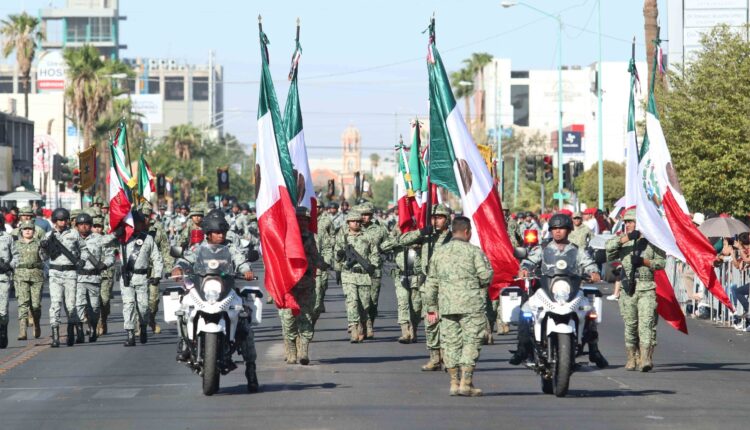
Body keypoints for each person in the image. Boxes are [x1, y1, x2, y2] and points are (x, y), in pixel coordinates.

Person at [171, 214, 259, 392]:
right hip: (203, 287)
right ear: (208, 234)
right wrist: (178, 268)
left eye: (223, 232)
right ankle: (184, 342)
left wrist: (247, 270)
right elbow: (185, 260)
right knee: (183, 310)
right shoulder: (198, 248)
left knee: (244, 323)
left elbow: (241, 261)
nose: (221, 236)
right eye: (217, 233)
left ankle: (251, 369)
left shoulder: (230, 247)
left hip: (226, 288)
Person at [510, 213, 606, 367]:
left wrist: (594, 272)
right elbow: (529, 261)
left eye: (561, 228)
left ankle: (594, 351)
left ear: (568, 230)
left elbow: (589, 263)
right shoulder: (542, 248)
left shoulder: (577, 250)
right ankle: (522, 349)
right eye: (554, 228)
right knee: (526, 310)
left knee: (590, 311)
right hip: (545, 289)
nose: (557, 231)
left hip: (571, 290)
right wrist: (525, 269)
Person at [424, 216, 493, 396]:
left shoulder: (439, 253)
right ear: (467, 232)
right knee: (471, 341)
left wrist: (431, 308)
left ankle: (454, 382)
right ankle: (466, 382)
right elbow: (486, 276)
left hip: (446, 306)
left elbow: (431, 283)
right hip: (471, 305)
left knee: (450, 343)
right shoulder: (474, 252)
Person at [605, 208, 665, 372]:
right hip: (628, 289)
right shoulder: (623, 240)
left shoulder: (652, 241)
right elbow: (608, 249)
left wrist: (644, 261)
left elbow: (661, 263)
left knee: (646, 324)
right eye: (626, 222)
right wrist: (625, 238)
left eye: (631, 222)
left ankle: (645, 358)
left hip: (646, 287)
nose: (628, 225)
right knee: (630, 325)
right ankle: (632, 357)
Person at [280, 207, 328, 365]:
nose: (302, 222)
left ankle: (303, 350)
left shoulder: (310, 237)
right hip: (289, 285)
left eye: (305, 219)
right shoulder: (285, 236)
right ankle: (291, 348)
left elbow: (314, 255)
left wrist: (324, 264)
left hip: (306, 283)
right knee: (289, 318)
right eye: (299, 219)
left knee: (306, 316)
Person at [41, 208, 88, 347]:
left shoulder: (74, 234)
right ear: (55, 221)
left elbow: (84, 249)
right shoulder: (48, 235)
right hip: (55, 273)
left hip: (70, 273)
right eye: (60, 220)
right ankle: (55, 336)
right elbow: (43, 257)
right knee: (55, 304)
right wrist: (43, 248)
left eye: (65, 219)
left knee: (70, 305)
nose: (62, 222)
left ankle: (70, 331)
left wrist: (83, 260)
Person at [333, 211, 379, 343]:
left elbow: (374, 253)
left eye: (358, 221)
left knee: (364, 305)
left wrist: (373, 266)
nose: (356, 223)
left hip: (364, 275)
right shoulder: (343, 237)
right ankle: (353, 328)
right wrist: (339, 259)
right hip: (348, 274)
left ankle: (362, 325)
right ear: (348, 223)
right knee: (352, 301)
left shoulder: (368, 236)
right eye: (353, 221)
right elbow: (336, 254)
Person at [120, 211, 163, 347]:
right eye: (131, 224)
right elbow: (106, 246)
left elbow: (156, 258)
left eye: (136, 224)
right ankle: (130, 333)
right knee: (128, 305)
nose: (134, 226)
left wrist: (157, 275)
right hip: (127, 277)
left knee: (143, 307)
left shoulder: (148, 239)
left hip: (142, 277)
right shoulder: (122, 239)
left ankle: (143, 326)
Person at [74, 212, 114, 343]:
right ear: (77, 226)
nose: (84, 227)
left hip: (94, 278)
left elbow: (110, 255)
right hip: (77, 278)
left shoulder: (99, 238)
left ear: (90, 226)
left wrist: (105, 264)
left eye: (86, 224)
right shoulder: (71, 238)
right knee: (79, 305)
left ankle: (93, 326)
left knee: (95, 307)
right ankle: (79, 330)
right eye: (81, 224)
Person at [359, 202, 389, 338]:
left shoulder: (380, 229)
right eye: (362, 214)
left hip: (375, 269)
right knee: (359, 299)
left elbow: (389, 242)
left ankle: (370, 322)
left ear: (371, 216)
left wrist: (382, 249)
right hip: (358, 270)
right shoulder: (354, 228)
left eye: (367, 215)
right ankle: (362, 325)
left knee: (373, 300)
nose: (364, 217)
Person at [14, 221, 44, 340]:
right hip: (21, 276)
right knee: (23, 303)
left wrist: (46, 247)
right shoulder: (15, 244)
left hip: (36, 275)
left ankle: (36, 323)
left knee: (35, 305)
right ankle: (22, 330)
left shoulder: (39, 243)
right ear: (21, 231)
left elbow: (45, 258)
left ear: (34, 231)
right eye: (25, 229)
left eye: (30, 229)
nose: (27, 231)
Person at [92, 212, 117, 336]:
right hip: (91, 275)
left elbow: (111, 256)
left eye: (99, 226)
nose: (97, 229)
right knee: (93, 302)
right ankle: (96, 324)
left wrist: (105, 264)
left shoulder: (107, 240)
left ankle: (104, 320)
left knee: (105, 301)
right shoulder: (87, 240)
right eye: (95, 226)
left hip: (106, 274)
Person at [0, 216, 19, 348]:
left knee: (3, 310)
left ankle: (2, 331)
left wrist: (10, 265)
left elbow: (17, 255)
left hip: (3, 278)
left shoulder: (7, 238)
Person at [314, 200, 334, 323]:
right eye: (313, 207)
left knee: (323, 285)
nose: (315, 209)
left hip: (322, 260)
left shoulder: (326, 220)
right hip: (308, 262)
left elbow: (332, 235)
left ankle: (320, 301)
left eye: (318, 207)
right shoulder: (304, 221)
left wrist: (327, 260)